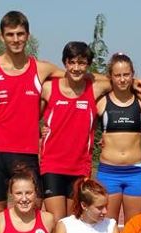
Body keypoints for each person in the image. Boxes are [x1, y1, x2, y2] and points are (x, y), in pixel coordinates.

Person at [0, 11, 66, 216]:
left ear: (28, 36)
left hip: (26, 151)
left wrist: (121, 81)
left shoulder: (42, 69)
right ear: (1, 37)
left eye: (20, 34)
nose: (16, 39)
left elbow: (77, 77)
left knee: (34, 207)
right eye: (10, 34)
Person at [39, 41, 116, 222]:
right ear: (64, 63)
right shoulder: (48, 88)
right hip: (52, 165)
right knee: (57, 221)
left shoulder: (94, 88)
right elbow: (28, 115)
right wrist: (39, 130)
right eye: (71, 62)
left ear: (88, 65)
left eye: (81, 63)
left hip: (79, 167)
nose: (76, 68)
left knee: (73, 221)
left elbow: (119, 81)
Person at [96, 53, 141, 223]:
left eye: (126, 74)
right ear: (110, 77)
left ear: (133, 75)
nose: (122, 79)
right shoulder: (101, 102)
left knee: (134, 226)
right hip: (108, 172)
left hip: (136, 172)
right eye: (117, 75)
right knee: (107, 226)